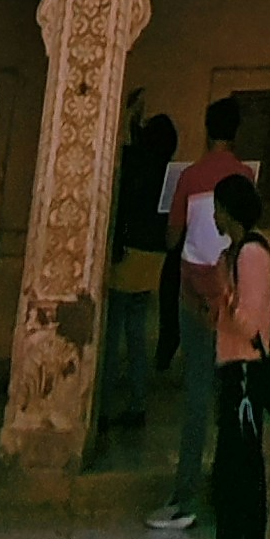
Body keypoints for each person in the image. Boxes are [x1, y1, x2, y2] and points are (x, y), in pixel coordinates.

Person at [148, 94, 247, 533]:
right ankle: (231, 492)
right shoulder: (244, 177)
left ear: (207, 130)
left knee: (196, 399)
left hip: (194, 295)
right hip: (232, 298)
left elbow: (173, 238)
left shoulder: (190, 177)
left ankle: (185, 496)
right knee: (233, 398)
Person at [188, 167, 270, 539]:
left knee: (245, 487)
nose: (215, 216)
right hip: (231, 375)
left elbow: (248, 324)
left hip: (247, 378)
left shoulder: (254, 255)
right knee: (226, 482)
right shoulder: (236, 253)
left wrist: (221, 289)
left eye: (219, 208)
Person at [102, 110, 175, 429]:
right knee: (136, 332)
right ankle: (137, 402)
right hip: (153, 256)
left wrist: (132, 116)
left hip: (128, 253)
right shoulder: (168, 171)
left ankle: (102, 406)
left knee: (111, 332)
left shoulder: (134, 162)